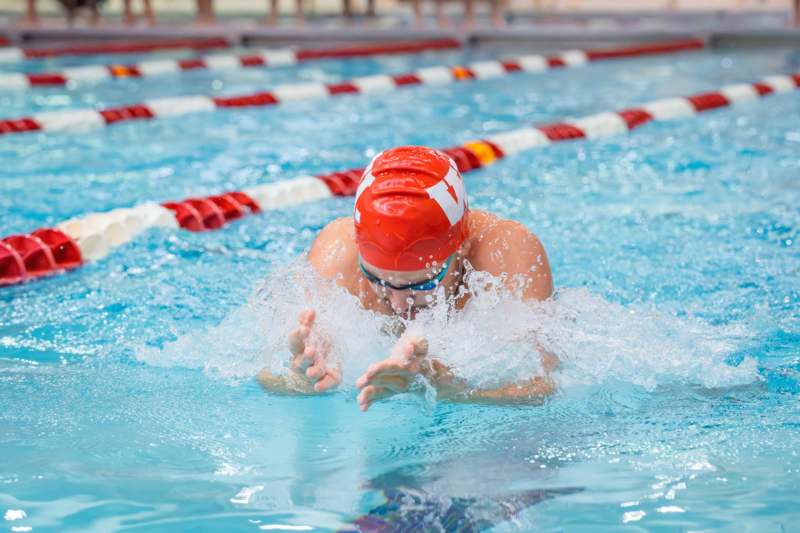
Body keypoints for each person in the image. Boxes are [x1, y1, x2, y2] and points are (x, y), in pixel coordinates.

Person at [258, 146, 557, 411]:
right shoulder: (338, 256)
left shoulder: (506, 255)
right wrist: (301, 378)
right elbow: (267, 378)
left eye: (421, 283)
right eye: (376, 279)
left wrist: (448, 388)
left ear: (462, 246)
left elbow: (542, 387)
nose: (399, 302)